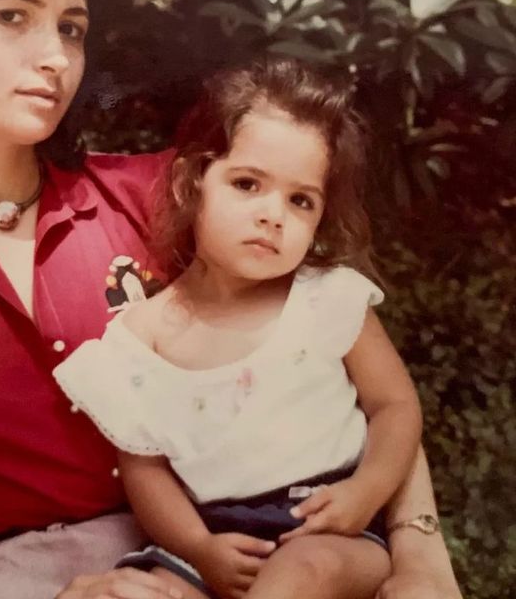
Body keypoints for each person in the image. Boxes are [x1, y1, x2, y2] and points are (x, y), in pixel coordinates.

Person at [0, 0, 462, 599]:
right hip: (31, 573)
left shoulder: (168, 196)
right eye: (13, 15)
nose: (55, 57)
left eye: (71, 27)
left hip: (252, 548)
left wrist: (420, 554)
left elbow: (333, 349)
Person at [53, 58, 422, 599]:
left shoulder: (325, 299)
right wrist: (199, 547)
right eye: (247, 184)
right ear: (191, 184)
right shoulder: (140, 339)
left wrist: (365, 493)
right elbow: (146, 473)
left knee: (299, 573)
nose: (273, 215)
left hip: (329, 528)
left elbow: (395, 405)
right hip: (213, 537)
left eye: (300, 200)